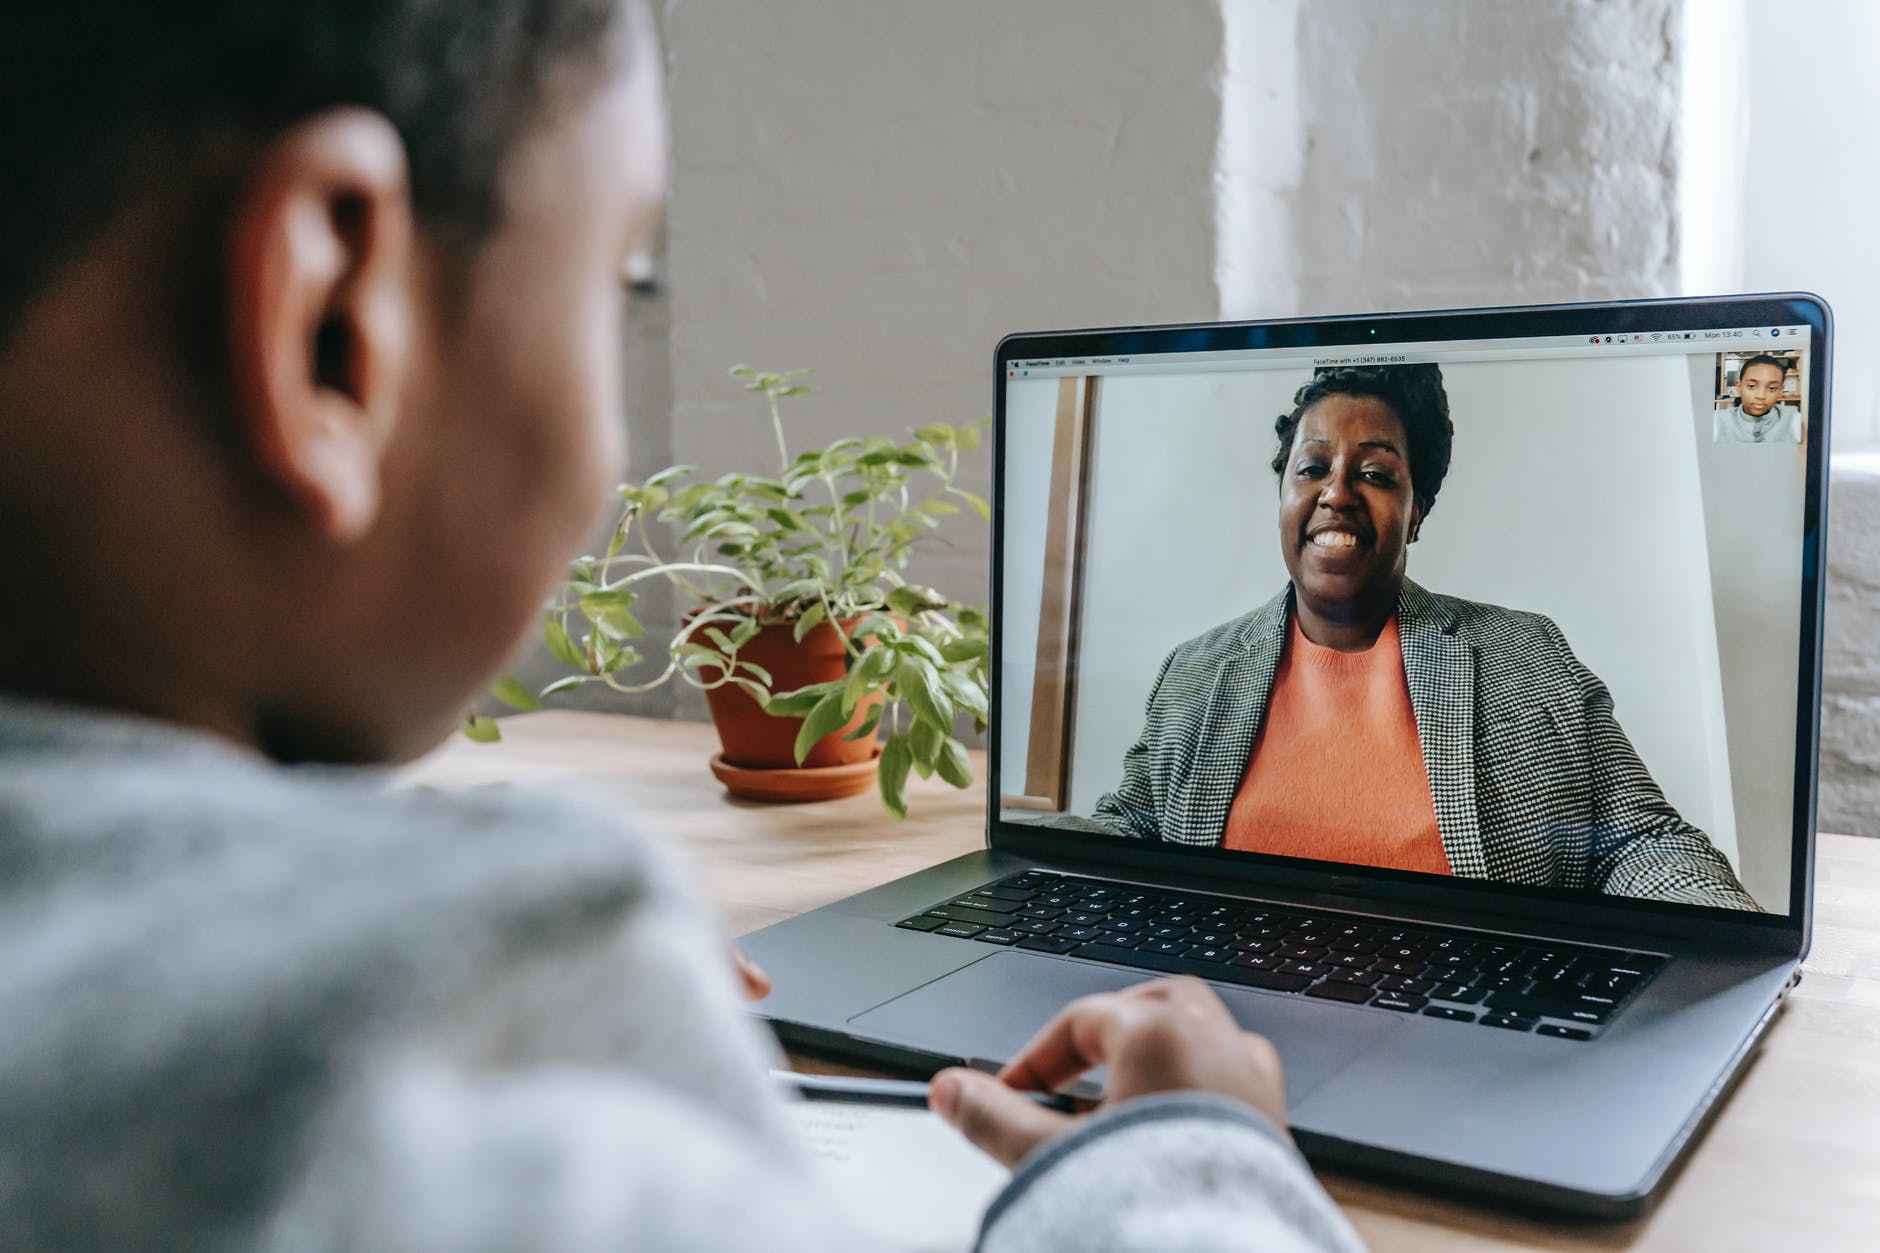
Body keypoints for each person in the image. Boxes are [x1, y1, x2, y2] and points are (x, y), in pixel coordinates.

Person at [0, 3, 1365, 1250]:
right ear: (329, 329)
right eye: (616, 275)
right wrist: (1204, 1161)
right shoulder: (438, 1046)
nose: (1341, 497)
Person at [1092, 365, 1762, 912]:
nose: (1337, 492)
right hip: (1224, 1034)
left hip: (1465, 1035)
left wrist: (1731, 947)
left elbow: (1640, 843)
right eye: (1312, 467)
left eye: (1377, 474)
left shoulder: (1525, 655)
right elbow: (1130, 832)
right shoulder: (1197, 670)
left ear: (1417, 515)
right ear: (1282, 497)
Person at [1714, 354, 1802, 443]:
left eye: (1772, 388)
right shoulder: (1717, 421)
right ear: (1739, 387)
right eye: (1751, 386)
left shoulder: (1794, 419)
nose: (1761, 396)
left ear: (1780, 391)